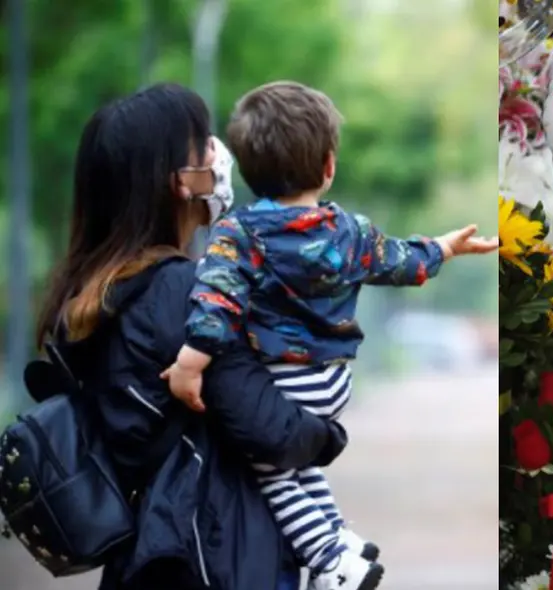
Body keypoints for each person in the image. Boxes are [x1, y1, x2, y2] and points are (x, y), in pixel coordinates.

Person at [160, 81, 499, 590]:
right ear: (329, 166)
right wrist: (443, 248)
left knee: (271, 470)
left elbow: (216, 300)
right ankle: (341, 536)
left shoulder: (240, 233)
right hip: (333, 385)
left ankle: (327, 559)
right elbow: (399, 262)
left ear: (249, 171)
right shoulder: (350, 230)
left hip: (280, 383)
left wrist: (190, 363)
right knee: (299, 464)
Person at [34, 83, 346, 590]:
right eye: (202, 144)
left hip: (147, 558)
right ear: (179, 182)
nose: (217, 154)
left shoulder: (88, 299)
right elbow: (270, 429)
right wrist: (328, 431)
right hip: (216, 556)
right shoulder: (184, 294)